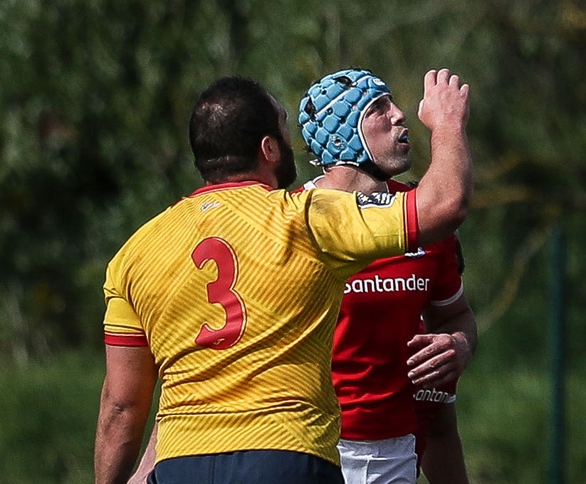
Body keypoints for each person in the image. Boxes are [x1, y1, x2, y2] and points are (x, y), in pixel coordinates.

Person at [94, 71, 472, 484]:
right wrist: (448, 122)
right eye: (284, 128)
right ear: (268, 149)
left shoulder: (137, 251)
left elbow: (125, 403)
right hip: (290, 452)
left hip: (184, 461)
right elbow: (444, 204)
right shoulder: (304, 218)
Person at [300, 70, 478, 484]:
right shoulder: (290, 218)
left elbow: (456, 316)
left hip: (393, 451)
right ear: (341, 134)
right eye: (378, 108)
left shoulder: (422, 220)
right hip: (307, 442)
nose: (401, 115)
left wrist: (461, 344)